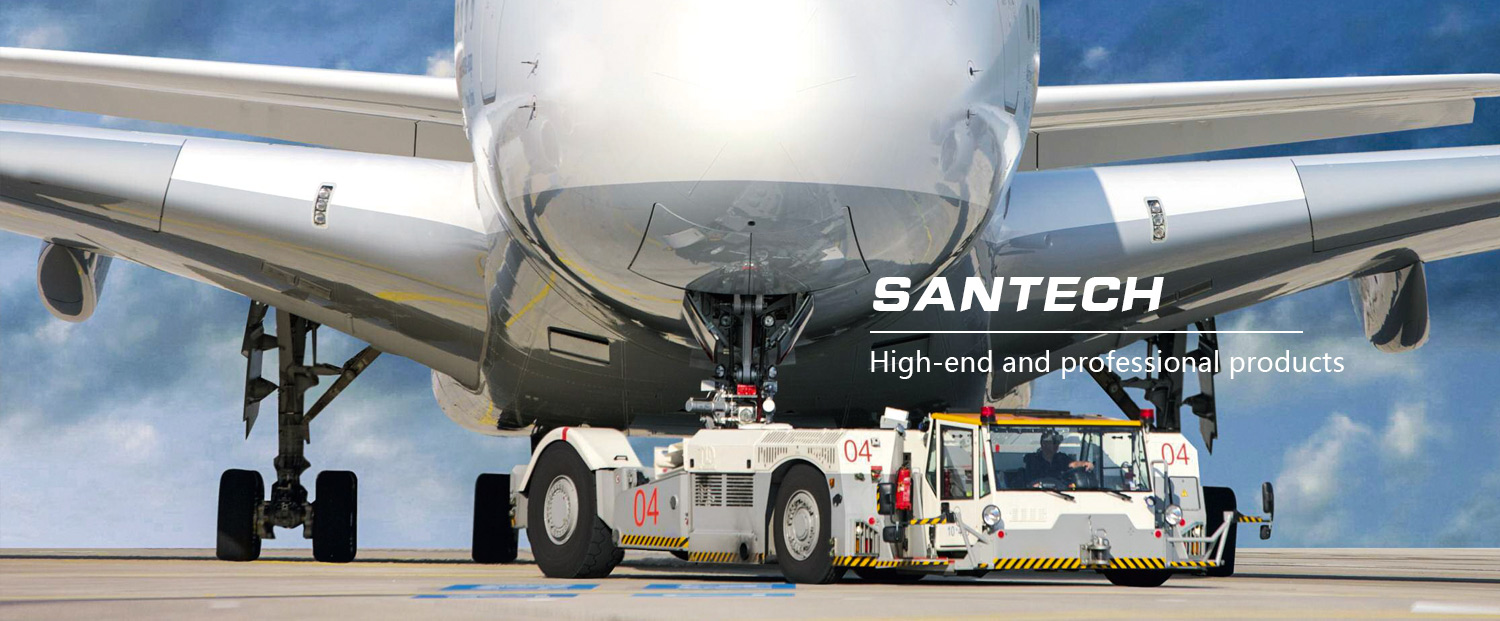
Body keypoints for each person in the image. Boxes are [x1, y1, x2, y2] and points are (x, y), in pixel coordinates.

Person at [1023, 430, 1093, 486]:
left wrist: (1084, 463)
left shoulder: (1061, 458)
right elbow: (1030, 480)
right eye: (1053, 443)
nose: (1056, 445)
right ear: (1043, 444)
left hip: (1061, 493)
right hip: (1036, 493)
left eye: (1057, 443)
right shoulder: (1033, 459)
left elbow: (1073, 464)